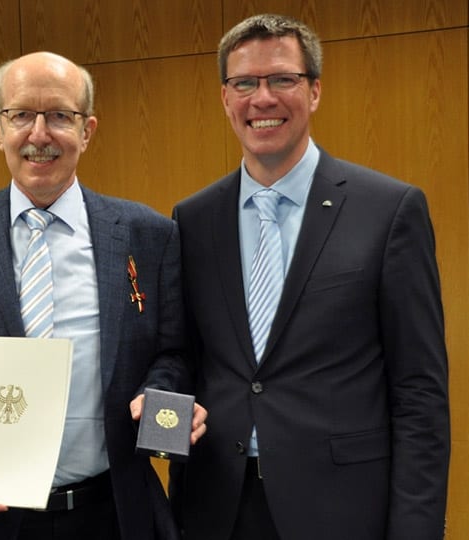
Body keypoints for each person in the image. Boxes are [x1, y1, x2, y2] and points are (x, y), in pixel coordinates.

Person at [0, 51, 206, 540]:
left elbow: (172, 354)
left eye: (60, 116)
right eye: (22, 114)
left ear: (87, 130)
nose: (39, 135)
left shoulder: (148, 234)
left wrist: (157, 397)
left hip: (112, 513)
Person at [170, 13, 450, 540]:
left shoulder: (388, 211)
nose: (262, 99)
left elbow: (419, 391)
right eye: (244, 83)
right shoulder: (193, 219)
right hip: (219, 507)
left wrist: (417, 527)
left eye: (282, 79)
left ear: (315, 91)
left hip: (342, 509)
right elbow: (185, 358)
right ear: (225, 98)